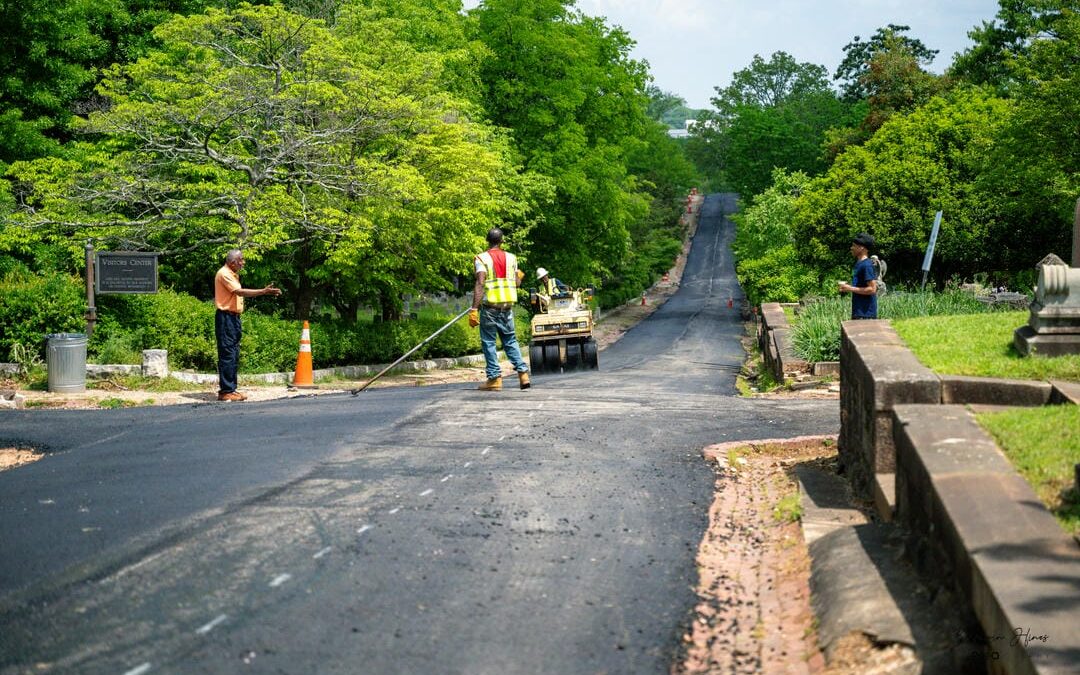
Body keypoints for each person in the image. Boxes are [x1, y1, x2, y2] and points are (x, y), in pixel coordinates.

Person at [214, 249, 282, 401]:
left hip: (233, 318)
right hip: (226, 318)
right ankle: (226, 391)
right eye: (241, 260)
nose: (243, 263)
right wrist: (263, 291)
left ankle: (231, 389)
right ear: (232, 262)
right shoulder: (224, 273)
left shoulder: (232, 274)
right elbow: (240, 292)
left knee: (234, 353)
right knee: (228, 354)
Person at [469, 228, 530, 391]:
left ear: (487, 241)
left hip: (490, 308)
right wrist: (519, 276)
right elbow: (517, 283)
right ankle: (523, 374)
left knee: (489, 342)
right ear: (502, 241)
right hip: (507, 307)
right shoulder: (512, 258)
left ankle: (494, 379)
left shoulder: (481, 259)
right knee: (510, 340)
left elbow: (480, 283)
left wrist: (474, 308)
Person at [838, 232, 879, 319]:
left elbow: (872, 289)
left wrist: (850, 288)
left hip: (866, 315)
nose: (851, 248)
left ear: (861, 247)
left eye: (854, 246)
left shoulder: (867, 265)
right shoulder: (858, 264)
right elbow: (860, 284)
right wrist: (847, 286)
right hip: (858, 312)